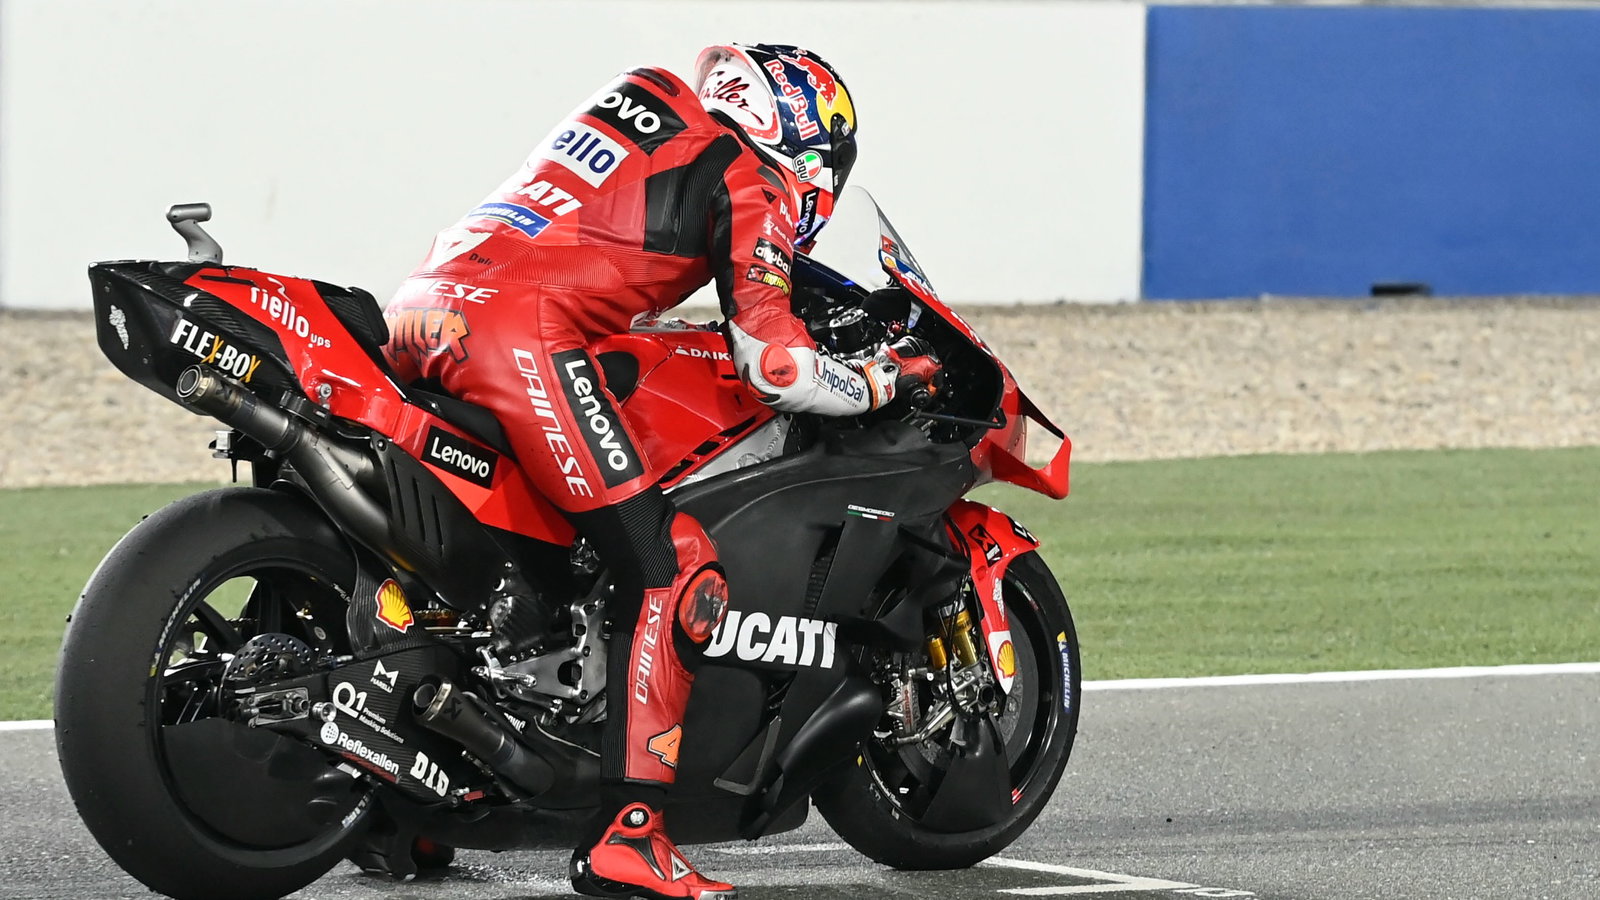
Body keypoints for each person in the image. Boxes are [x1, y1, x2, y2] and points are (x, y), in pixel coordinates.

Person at [384, 42, 935, 900]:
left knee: (527, 559)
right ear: (802, 132)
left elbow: (587, 236)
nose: (824, 179)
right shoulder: (754, 177)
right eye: (830, 156)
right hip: (517, 336)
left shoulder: (641, 99)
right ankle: (631, 834)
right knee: (671, 561)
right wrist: (877, 378)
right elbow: (774, 366)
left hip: (423, 313)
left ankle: (403, 806)